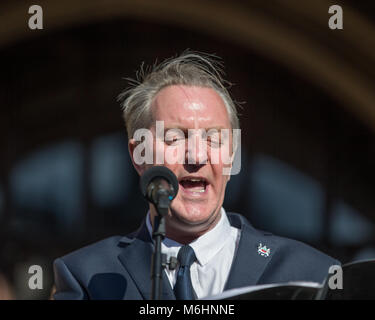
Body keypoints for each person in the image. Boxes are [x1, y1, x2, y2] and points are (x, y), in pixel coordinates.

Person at [53, 51, 340, 300]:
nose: (196, 156)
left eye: (214, 139)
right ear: (139, 154)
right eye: (175, 138)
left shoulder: (311, 272)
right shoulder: (88, 276)